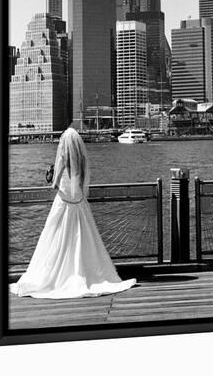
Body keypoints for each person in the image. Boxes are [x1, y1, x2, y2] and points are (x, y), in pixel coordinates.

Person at [10, 127, 136, 299]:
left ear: (64, 143)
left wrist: (52, 174)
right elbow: (82, 183)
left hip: (63, 204)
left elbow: (54, 185)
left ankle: (60, 274)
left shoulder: (62, 158)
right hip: (79, 203)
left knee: (57, 238)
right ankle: (85, 271)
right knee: (84, 239)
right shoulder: (82, 159)